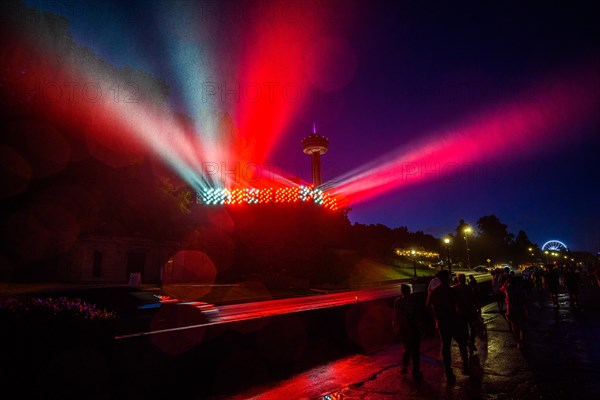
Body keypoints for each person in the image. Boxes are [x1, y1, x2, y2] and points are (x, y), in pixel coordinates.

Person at [427, 269, 469, 385]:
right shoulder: (452, 291)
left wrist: (435, 318)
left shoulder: (434, 292)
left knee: (446, 346)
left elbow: (427, 306)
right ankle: (465, 364)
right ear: (447, 278)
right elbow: (460, 306)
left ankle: (448, 370)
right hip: (453, 321)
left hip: (442, 322)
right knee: (461, 342)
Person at [393, 284, 425, 382]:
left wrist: (396, 327)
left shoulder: (397, 301)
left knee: (406, 348)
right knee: (415, 351)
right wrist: (421, 329)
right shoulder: (413, 301)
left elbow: (395, 315)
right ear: (409, 291)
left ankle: (405, 367)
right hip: (412, 327)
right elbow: (417, 316)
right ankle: (415, 371)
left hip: (403, 328)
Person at [500, 276, 528, 349]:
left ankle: (518, 341)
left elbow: (501, 289)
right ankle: (523, 340)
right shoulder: (520, 289)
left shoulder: (507, 289)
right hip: (520, 308)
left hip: (511, 310)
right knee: (522, 325)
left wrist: (506, 283)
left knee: (514, 327)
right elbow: (525, 299)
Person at [453, 274, 479, 354]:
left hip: (461, 312)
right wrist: (477, 306)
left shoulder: (454, 288)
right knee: (473, 327)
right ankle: (471, 341)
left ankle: (468, 342)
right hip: (470, 310)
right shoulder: (468, 287)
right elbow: (474, 297)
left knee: (464, 329)